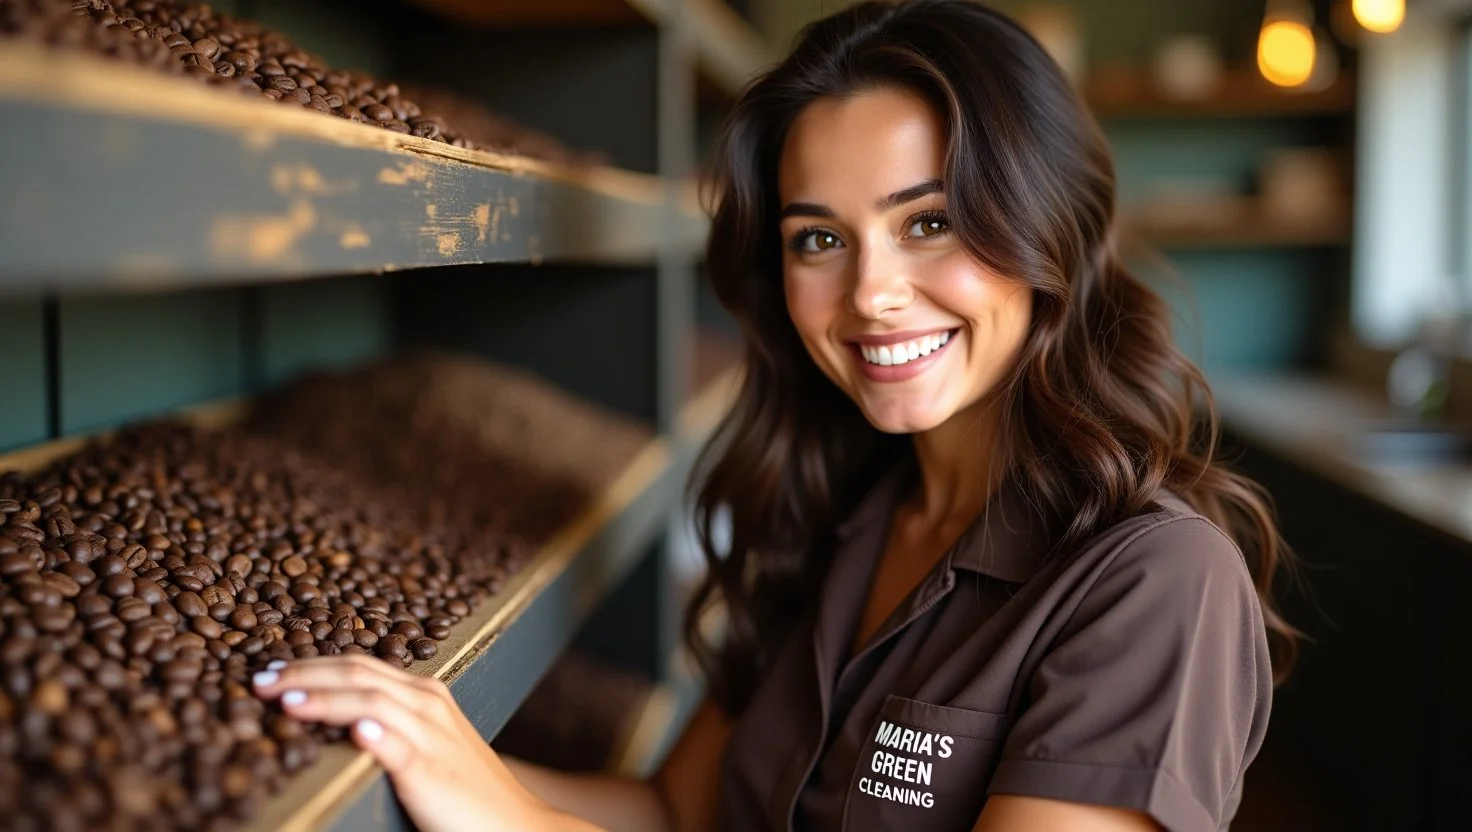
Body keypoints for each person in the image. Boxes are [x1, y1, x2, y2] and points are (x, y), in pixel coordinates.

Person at [251, 1, 1296, 829]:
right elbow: (672, 811)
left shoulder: (1153, 583)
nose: (870, 293)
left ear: (1047, 229)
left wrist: (519, 826)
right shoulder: (836, 510)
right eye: (817, 240)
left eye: (927, 222)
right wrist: (410, 754)